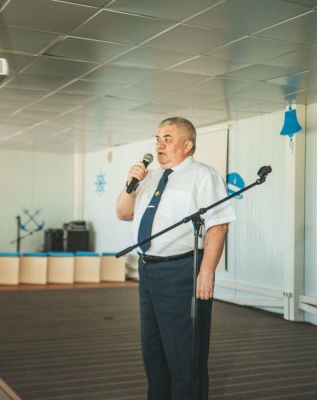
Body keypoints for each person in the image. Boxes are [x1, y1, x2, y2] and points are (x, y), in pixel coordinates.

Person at [116, 117, 236, 399]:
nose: (159, 145)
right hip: (148, 272)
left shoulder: (203, 175)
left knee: (185, 356)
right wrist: (130, 183)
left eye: (167, 139)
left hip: (181, 272)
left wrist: (206, 272)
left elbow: (218, 226)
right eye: (158, 139)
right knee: (153, 352)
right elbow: (123, 213)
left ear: (187, 145)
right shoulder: (150, 177)